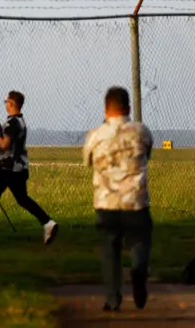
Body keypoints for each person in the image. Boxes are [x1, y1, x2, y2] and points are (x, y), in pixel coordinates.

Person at [82, 86, 153, 311]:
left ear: (106, 110)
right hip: (136, 202)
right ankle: (139, 271)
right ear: (128, 108)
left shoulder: (96, 135)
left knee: (109, 250)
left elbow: (87, 161)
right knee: (140, 240)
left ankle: (113, 298)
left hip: (106, 203)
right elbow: (147, 154)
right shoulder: (141, 132)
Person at [0, 90, 59, 245]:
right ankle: (48, 223)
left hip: (7, 168)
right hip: (19, 168)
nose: (5, 104)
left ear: (12, 103)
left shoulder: (12, 123)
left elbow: (5, 144)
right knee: (22, 199)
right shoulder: (19, 121)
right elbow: (10, 137)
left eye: (6, 101)